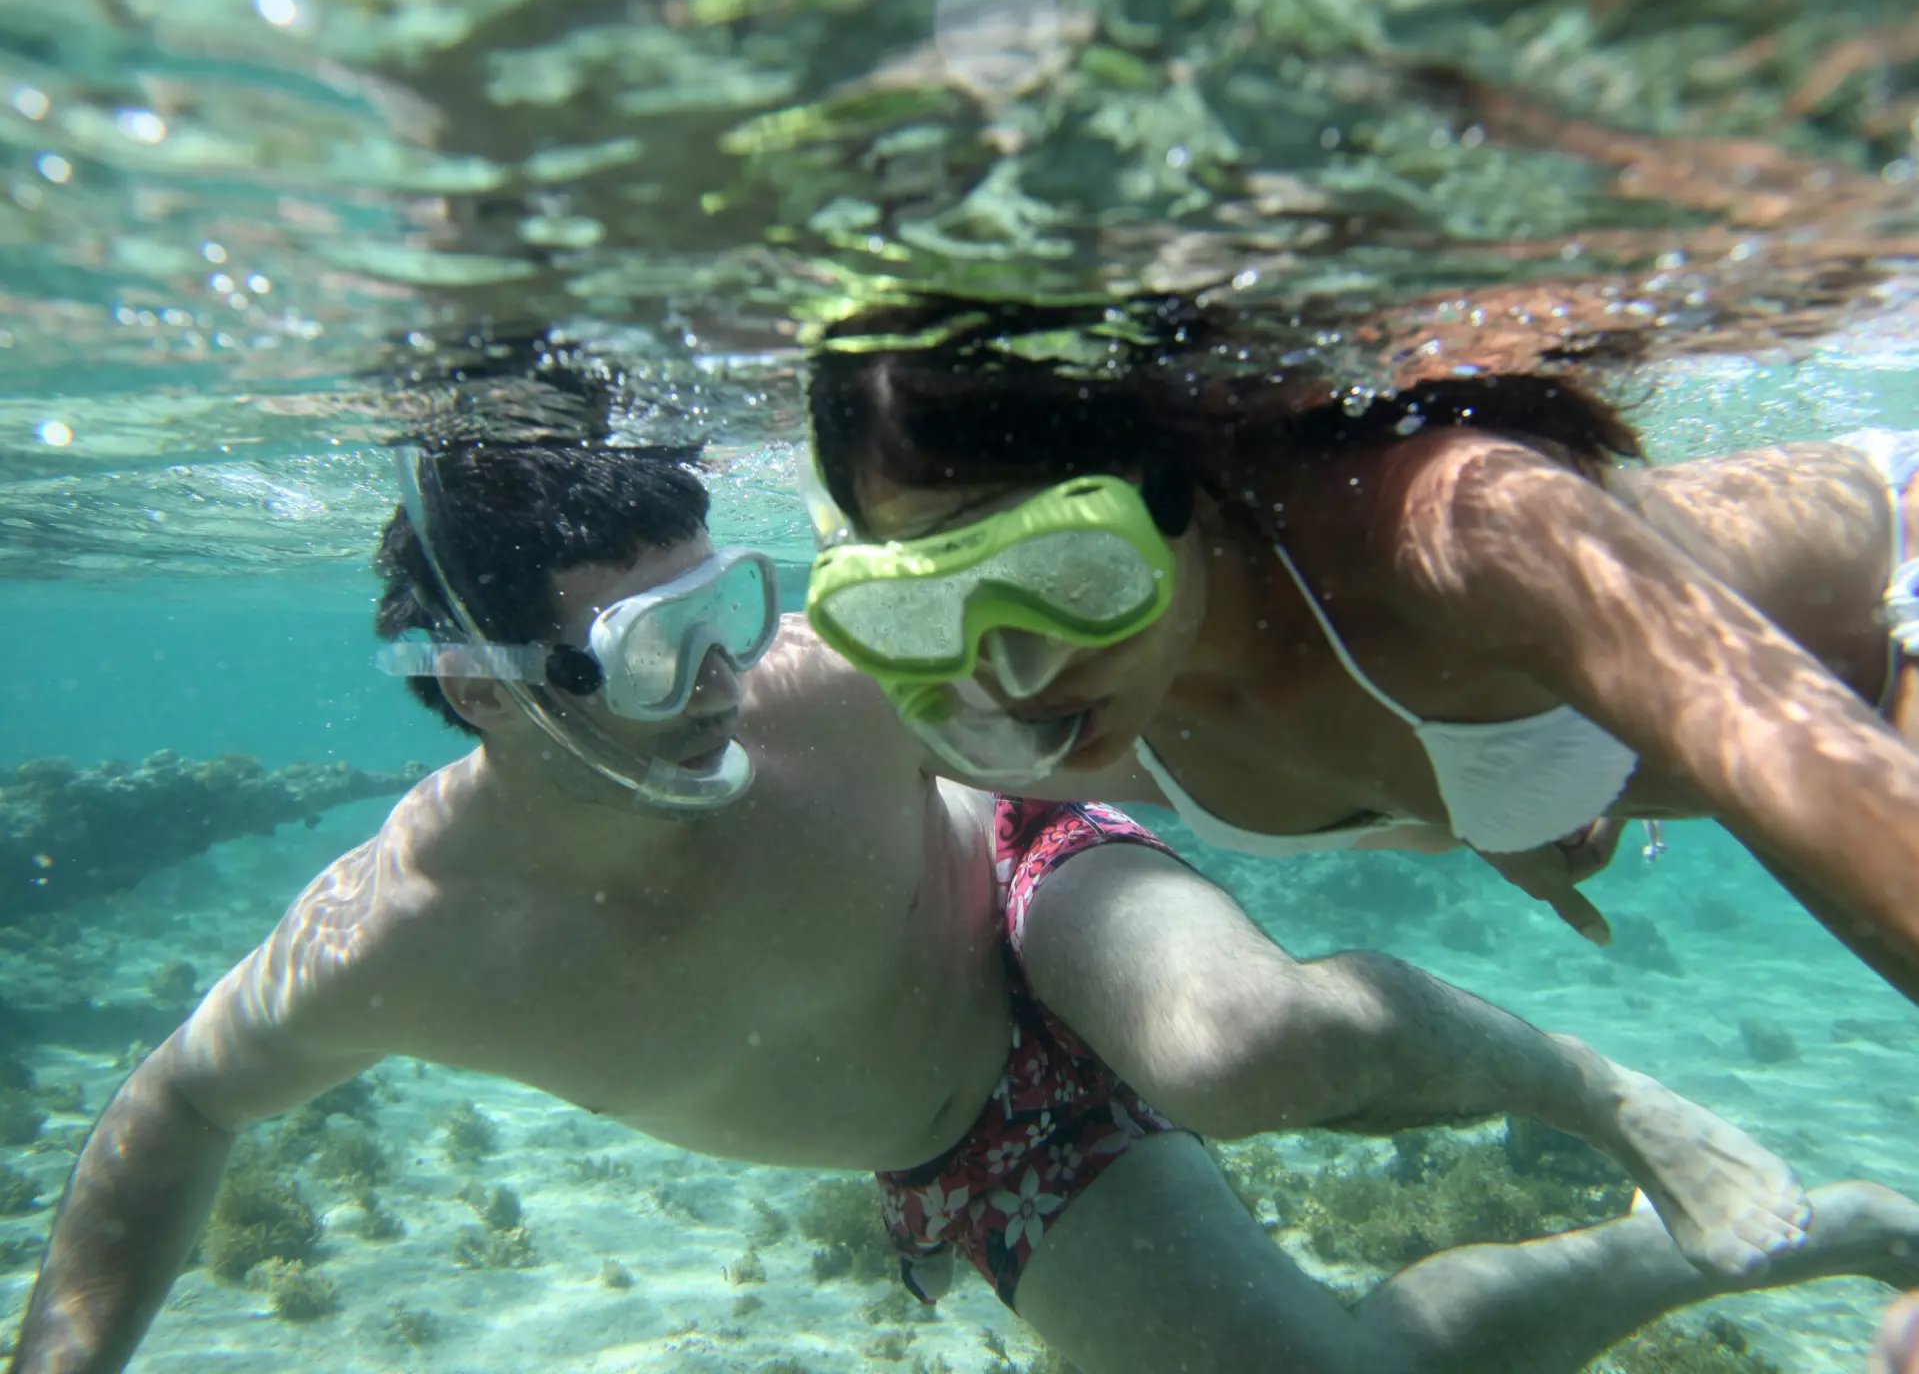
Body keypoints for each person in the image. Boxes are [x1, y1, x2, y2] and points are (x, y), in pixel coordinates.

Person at [12, 437, 1916, 1374]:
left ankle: (1596, 1091)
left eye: (732, 610)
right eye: (656, 647)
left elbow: (1196, 669)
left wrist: (1498, 782)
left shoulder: (823, 696)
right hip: (957, 1142)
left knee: (1241, 1041)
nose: (725, 688)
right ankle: (1823, 1232)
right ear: (480, 678)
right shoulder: (398, 937)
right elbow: (173, 1107)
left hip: (1021, 895)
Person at [802, 297, 1919, 1005]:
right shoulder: (1105, 696)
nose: (1004, 669)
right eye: (930, 601)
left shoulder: (1457, 525)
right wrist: (1512, 811)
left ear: (1169, 474)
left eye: (1056, 573)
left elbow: (1795, 750)